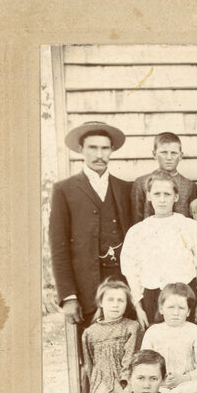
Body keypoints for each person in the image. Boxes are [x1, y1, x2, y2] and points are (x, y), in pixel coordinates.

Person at [49, 121, 136, 326]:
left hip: (124, 289)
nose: (99, 154)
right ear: (81, 150)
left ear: (112, 150)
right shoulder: (64, 190)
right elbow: (58, 248)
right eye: (93, 148)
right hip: (86, 293)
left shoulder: (125, 189)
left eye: (105, 148)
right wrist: (69, 297)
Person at [120, 170, 197, 328]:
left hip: (186, 295)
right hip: (152, 298)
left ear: (176, 197)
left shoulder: (189, 226)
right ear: (148, 196)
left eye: (167, 194)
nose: (162, 200)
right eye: (157, 194)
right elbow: (131, 271)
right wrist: (139, 308)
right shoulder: (137, 231)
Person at [81, 278, 143, 393]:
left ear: (127, 304)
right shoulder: (90, 333)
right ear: (101, 302)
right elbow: (90, 363)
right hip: (101, 382)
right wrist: (97, 384)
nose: (115, 305)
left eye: (120, 300)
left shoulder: (132, 327)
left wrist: (125, 382)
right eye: (110, 300)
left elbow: (131, 359)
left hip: (125, 379)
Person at [139, 282, 197, 393]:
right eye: (170, 307)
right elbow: (144, 365)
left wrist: (182, 379)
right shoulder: (153, 332)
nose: (175, 313)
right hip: (159, 383)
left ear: (188, 311)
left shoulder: (196, 332)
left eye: (181, 308)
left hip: (188, 384)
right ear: (161, 309)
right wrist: (160, 379)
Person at [132, 132, 197, 219]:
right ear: (154, 154)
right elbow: (136, 218)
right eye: (164, 152)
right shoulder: (141, 183)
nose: (169, 157)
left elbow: (196, 217)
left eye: (174, 153)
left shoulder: (190, 187)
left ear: (180, 156)